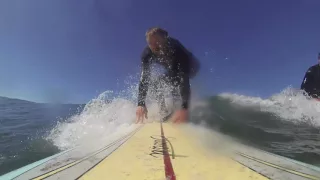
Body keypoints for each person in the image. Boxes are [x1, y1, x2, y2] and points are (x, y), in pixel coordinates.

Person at [136, 27, 200, 124]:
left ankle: (178, 108)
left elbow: (183, 78)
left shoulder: (177, 49)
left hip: (191, 66)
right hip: (173, 68)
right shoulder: (147, 53)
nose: (154, 47)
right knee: (156, 83)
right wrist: (141, 103)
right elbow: (145, 77)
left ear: (165, 38)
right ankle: (163, 110)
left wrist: (184, 107)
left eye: (157, 42)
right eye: (150, 43)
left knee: (176, 79)